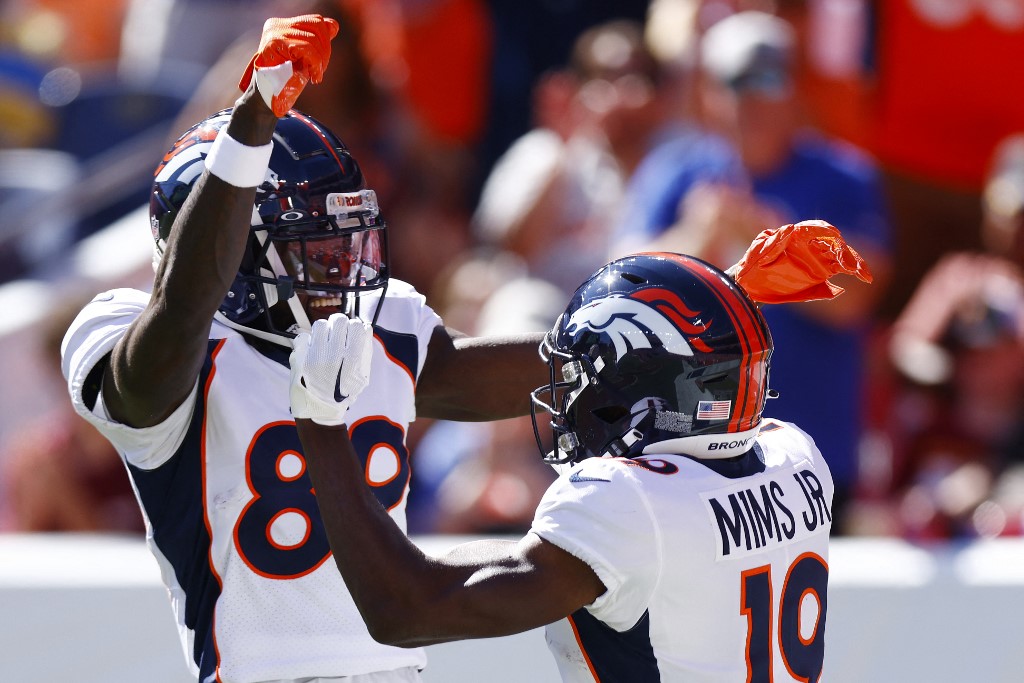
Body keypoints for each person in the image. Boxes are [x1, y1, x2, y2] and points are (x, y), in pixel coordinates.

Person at [59, 15, 545, 683]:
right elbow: (176, 318)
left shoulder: (382, 323)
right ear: (233, 249)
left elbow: (518, 374)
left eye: (342, 237)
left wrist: (696, 329)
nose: (339, 264)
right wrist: (250, 123)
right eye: (310, 244)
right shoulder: (140, 338)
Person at [291, 228, 870, 680]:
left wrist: (319, 422)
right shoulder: (795, 455)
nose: (568, 403)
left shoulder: (627, 503)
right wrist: (716, 303)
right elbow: (711, 381)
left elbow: (405, 609)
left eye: (587, 384)